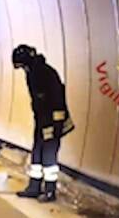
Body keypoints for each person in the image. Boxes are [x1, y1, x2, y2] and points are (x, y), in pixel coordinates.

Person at [12, 44, 74, 203]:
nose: (22, 70)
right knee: (37, 151)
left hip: (53, 121)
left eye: (22, 66)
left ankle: (50, 191)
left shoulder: (45, 73)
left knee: (48, 154)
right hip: (42, 119)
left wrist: (55, 123)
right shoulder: (33, 73)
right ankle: (34, 187)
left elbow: (57, 98)